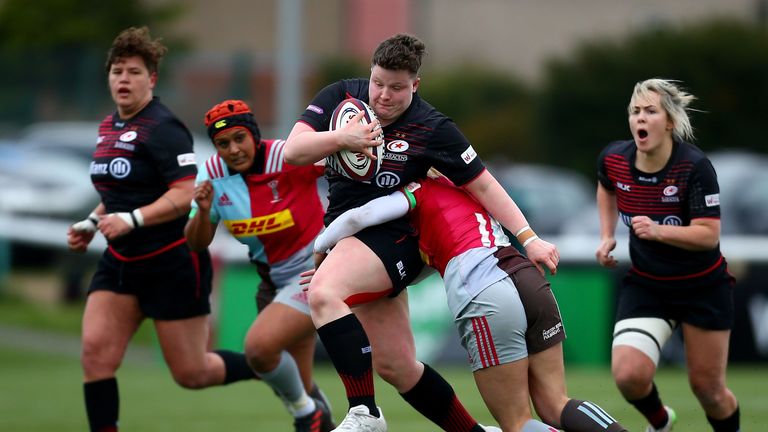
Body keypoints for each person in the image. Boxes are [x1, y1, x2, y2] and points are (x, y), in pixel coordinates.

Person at [284, 33, 559, 432]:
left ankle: (365, 413)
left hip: (395, 236)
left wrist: (529, 237)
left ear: (415, 85)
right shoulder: (341, 97)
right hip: (349, 239)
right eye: (378, 83)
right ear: (370, 75)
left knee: (324, 293)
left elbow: (483, 184)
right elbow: (294, 150)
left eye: (397, 88)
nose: (384, 96)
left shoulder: (432, 127)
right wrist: (344, 138)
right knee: (397, 366)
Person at [311, 173, 628, 432]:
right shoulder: (468, 185)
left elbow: (360, 217)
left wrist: (321, 249)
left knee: (517, 424)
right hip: (527, 278)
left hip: (486, 290)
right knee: (556, 404)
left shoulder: (414, 189)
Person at [66, 27, 258, 432]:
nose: (123, 79)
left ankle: (271, 367)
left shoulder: (163, 128)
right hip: (120, 263)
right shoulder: (108, 128)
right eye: (117, 71)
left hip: (171, 264)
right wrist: (91, 221)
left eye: (134, 72)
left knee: (192, 373)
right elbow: (119, 194)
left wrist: (132, 220)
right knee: (95, 355)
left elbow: (185, 192)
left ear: (151, 79)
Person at [595, 78, 740, 432]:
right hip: (648, 286)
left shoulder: (694, 167)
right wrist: (606, 235)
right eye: (635, 111)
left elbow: (708, 236)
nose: (640, 118)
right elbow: (605, 186)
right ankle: (661, 423)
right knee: (628, 375)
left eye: (650, 111)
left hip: (702, 288)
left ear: (670, 122)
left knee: (709, 391)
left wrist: (660, 230)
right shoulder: (615, 158)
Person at [184, 99, 334, 432]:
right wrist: (204, 210)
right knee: (301, 386)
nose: (233, 149)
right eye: (223, 144)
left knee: (259, 348)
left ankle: (308, 414)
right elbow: (196, 242)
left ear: (254, 134)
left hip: (315, 274)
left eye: (240, 138)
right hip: (271, 283)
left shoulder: (287, 155)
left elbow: (349, 164)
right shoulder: (211, 174)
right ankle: (315, 413)